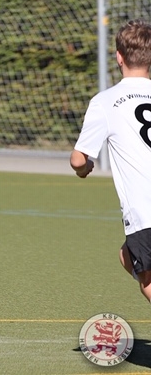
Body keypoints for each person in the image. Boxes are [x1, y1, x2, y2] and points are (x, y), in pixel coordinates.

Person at [71, 19, 151, 303]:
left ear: (119, 57)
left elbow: (78, 159)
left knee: (147, 280)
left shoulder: (106, 101)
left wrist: (85, 169)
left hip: (145, 211)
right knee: (126, 255)